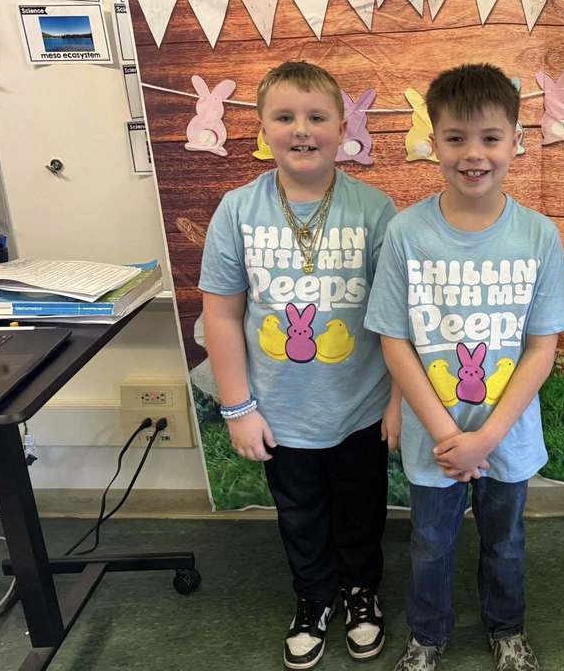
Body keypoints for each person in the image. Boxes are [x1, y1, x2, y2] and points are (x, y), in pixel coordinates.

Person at [365, 63, 564, 671]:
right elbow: (396, 342)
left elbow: (542, 348)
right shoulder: (406, 233)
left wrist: (485, 436)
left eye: (489, 137)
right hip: (435, 437)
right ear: (433, 144)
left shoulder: (538, 236)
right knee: (430, 545)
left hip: (506, 434)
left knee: (505, 543)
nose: (473, 154)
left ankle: (507, 630)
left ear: (517, 141)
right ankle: (427, 637)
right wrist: (445, 435)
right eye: (456, 138)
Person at [200, 61, 400, 670]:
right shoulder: (237, 210)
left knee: (362, 507)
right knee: (299, 512)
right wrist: (237, 407)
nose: (302, 130)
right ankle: (313, 596)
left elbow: (398, 321)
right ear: (262, 128)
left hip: (361, 404)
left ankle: (360, 592)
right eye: (285, 117)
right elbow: (222, 316)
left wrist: (396, 402)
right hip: (279, 410)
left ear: (344, 128)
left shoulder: (375, 209)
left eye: (317, 117)